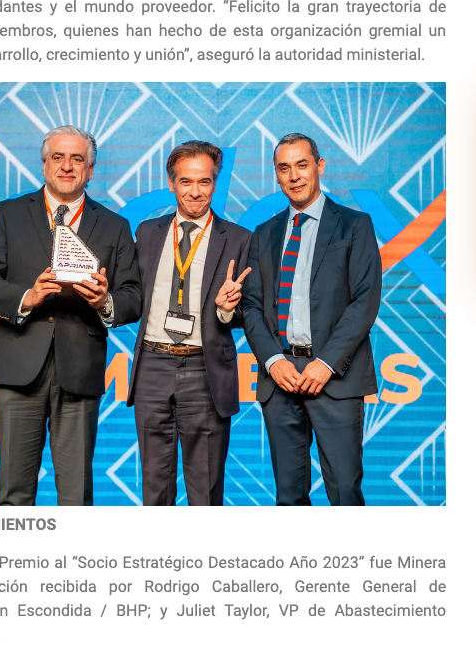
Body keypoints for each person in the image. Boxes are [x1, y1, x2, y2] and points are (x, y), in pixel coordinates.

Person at [0, 127, 141, 505]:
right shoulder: (8, 214)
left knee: (76, 495)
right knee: (14, 493)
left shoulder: (115, 225)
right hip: (17, 365)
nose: (67, 166)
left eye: (77, 159)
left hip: (80, 368)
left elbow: (133, 296)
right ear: (44, 164)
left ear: (90, 170)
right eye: (58, 157)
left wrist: (105, 301)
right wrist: (25, 297)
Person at [241, 132, 382, 508]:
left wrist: (327, 363)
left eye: (302, 165)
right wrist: (273, 361)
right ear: (276, 174)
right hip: (280, 378)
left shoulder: (354, 224)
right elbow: (251, 306)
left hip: (335, 378)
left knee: (345, 493)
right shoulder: (264, 233)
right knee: (288, 497)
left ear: (320, 166)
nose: (294, 176)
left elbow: (365, 300)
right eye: (284, 168)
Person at [127, 141, 251, 507]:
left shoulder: (239, 239)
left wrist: (227, 309)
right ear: (171, 183)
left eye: (204, 181)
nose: (195, 191)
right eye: (186, 181)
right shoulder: (147, 232)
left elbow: (250, 311)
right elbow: (132, 296)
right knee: (154, 485)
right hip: (152, 366)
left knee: (205, 489)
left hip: (205, 369)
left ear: (215, 184)